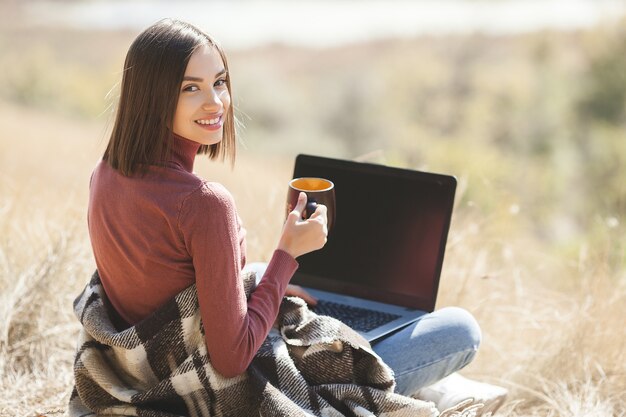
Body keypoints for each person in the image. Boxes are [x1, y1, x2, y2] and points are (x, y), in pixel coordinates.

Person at [84, 18, 506, 415]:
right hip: (228, 390)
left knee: (302, 300)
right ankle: (417, 391)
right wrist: (287, 255)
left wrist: (268, 279)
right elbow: (230, 360)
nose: (215, 101)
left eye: (219, 81)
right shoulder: (205, 203)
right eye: (189, 88)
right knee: (460, 330)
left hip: (150, 374)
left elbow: (168, 289)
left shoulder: (106, 175)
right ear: (153, 95)